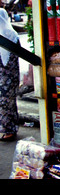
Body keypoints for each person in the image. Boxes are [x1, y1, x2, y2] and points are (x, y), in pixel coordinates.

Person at [0, 8, 20, 141]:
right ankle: (11, 128)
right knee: (10, 102)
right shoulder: (13, 35)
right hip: (10, 78)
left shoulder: (5, 35)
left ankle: (8, 130)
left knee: (5, 102)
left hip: (6, 78)